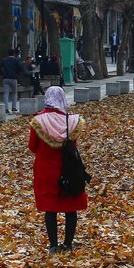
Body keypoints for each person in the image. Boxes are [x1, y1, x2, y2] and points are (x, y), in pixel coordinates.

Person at [29, 87, 87, 253]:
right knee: (71, 207)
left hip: (46, 171)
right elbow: (72, 147)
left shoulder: (39, 121)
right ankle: (68, 244)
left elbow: (32, 147)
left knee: (50, 208)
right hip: (68, 170)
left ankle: (53, 245)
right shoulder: (72, 122)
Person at [0, 49, 23, 113]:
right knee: (14, 92)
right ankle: (14, 107)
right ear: (14, 54)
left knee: (6, 93)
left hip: (6, 78)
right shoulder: (16, 60)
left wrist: (2, 73)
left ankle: (6, 108)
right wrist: (17, 73)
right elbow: (20, 68)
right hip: (14, 78)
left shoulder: (4, 60)